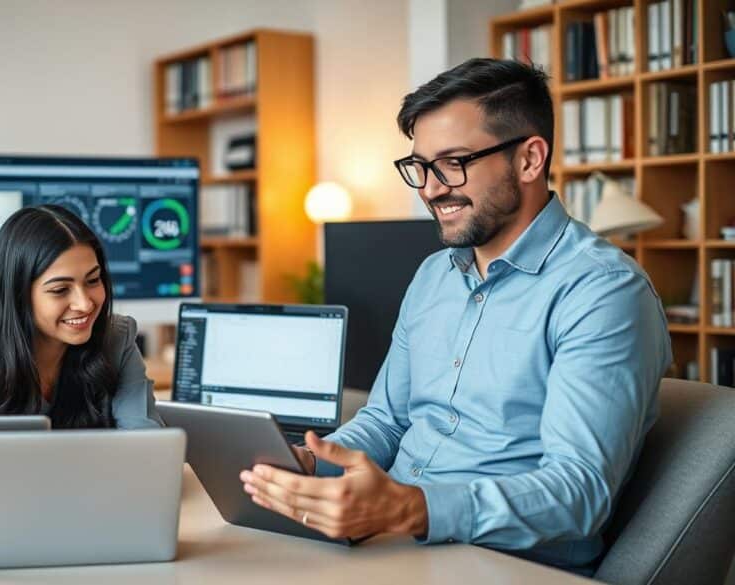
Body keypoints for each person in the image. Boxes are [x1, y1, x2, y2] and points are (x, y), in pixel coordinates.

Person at [239, 58, 671, 574]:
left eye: (453, 163)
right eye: (420, 167)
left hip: (507, 563)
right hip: (395, 543)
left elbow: (577, 491)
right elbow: (387, 420)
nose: (429, 189)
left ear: (530, 159)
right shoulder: (432, 276)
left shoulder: (602, 291)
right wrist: (312, 461)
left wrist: (411, 508)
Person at [0, 204, 161, 429]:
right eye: (60, 290)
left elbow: (151, 452)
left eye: (93, 280)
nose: (84, 304)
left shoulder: (116, 341)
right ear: (17, 294)